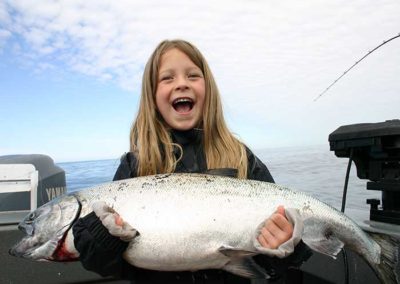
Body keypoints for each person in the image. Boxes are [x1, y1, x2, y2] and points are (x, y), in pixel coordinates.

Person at [72, 39, 311, 283]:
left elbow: (274, 259)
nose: (182, 84)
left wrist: (284, 246)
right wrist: (103, 238)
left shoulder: (243, 158)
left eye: (193, 76)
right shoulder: (134, 166)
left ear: (208, 89)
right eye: (167, 78)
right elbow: (105, 265)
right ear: (152, 96)